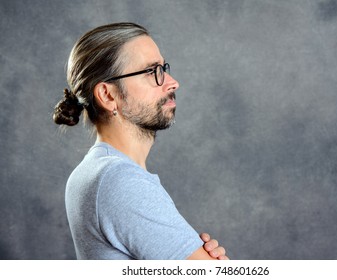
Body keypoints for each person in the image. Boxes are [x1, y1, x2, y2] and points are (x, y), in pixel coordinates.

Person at [53, 22, 228, 260]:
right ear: (108, 95)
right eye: (150, 72)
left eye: (163, 68)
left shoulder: (95, 172)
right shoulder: (119, 181)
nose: (172, 82)